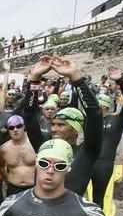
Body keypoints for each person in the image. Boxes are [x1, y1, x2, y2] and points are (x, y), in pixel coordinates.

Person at [23, 54, 103, 196]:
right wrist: (34, 79)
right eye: (53, 124)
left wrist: (76, 77)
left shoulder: (88, 151)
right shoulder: (44, 146)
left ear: (75, 129)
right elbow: (29, 115)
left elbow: (95, 114)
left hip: (69, 215)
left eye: (61, 125)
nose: (54, 129)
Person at [90, 66, 123, 207]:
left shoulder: (117, 119)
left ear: (103, 106)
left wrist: (120, 82)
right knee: (75, 193)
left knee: (97, 200)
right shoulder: (90, 120)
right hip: (86, 162)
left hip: (103, 164)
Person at [0, 115, 36, 196]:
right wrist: (8, 181)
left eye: (18, 126)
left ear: (24, 127)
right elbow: (0, 166)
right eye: (11, 128)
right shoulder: (4, 149)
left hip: (34, 187)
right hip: (13, 188)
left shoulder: (34, 144)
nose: (15, 130)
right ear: (8, 130)